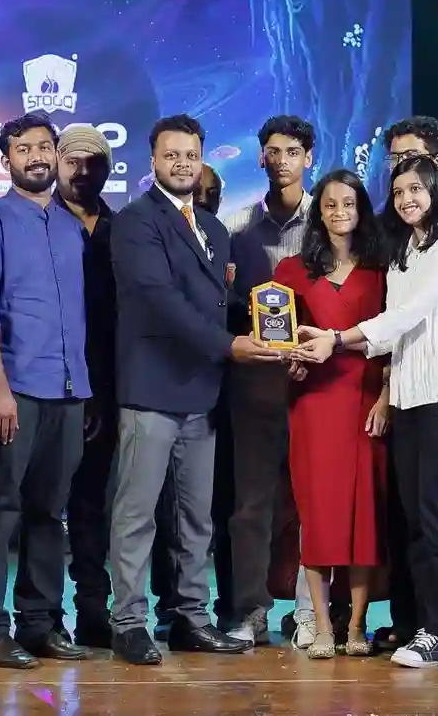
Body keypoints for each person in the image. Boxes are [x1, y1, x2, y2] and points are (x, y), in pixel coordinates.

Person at [106, 114, 284, 665]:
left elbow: (221, 304)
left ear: (202, 159)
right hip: (152, 389)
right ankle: (129, 623)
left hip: (203, 391)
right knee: (137, 514)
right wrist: (231, 346)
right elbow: (160, 300)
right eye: (172, 155)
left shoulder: (213, 228)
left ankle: (191, 618)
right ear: (153, 161)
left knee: (196, 517)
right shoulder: (135, 222)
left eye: (190, 155)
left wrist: (276, 335)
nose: (182, 164)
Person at [295, 156, 438, 669]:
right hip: (407, 399)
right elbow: (389, 337)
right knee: (412, 522)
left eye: (416, 189)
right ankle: (419, 626)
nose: (406, 200)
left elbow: (404, 316)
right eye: (398, 192)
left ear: (435, 190)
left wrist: (336, 339)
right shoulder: (401, 255)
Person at [0, 114, 91, 667]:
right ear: (5, 159)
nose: (36, 156)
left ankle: (40, 624)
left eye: (44, 146)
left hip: (69, 389)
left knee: (49, 511)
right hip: (13, 390)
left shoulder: (71, 226)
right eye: (23, 149)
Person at [58, 125, 184, 647]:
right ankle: (78, 608)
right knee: (71, 500)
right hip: (59, 381)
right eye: (73, 160)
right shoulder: (43, 223)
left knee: (135, 499)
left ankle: (156, 608)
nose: (83, 171)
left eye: (94, 162)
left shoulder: (126, 226)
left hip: (123, 379)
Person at [274, 170, 389, 659]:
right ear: (317, 213)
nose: (340, 212)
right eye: (329, 204)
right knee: (319, 516)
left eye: (348, 203)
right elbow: (279, 338)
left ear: (361, 209)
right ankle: (321, 626)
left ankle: (357, 626)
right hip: (315, 405)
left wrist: (386, 398)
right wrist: (290, 362)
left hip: (366, 401)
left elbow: (393, 340)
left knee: (364, 515)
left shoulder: (384, 269)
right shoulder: (292, 271)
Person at [219, 115, 315, 647]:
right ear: (260, 157)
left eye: (292, 151)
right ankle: (250, 610)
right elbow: (223, 305)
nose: (282, 160)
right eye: (273, 151)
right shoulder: (235, 227)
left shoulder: (328, 221)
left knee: (312, 502)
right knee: (251, 505)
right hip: (254, 384)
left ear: (308, 158)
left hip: (314, 383)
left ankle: (310, 610)